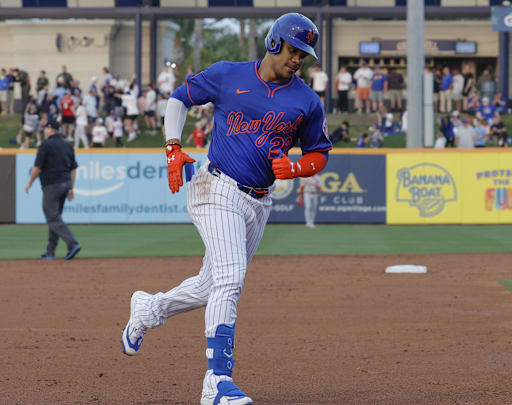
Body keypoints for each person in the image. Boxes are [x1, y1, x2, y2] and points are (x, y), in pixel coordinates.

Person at [120, 13, 331, 405]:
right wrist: (172, 146)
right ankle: (216, 381)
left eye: (304, 54)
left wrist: (298, 167)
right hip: (214, 186)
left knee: (209, 285)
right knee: (231, 278)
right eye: (294, 49)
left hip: (259, 201)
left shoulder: (306, 100)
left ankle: (148, 309)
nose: (299, 59)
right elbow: (179, 98)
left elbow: (320, 153)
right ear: (273, 43)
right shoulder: (227, 74)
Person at [23, 120, 82, 261]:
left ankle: (72, 243)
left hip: (52, 185)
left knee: (52, 216)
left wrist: (29, 182)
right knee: (55, 218)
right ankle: (50, 251)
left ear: (50, 130)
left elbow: (38, 167)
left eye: (45, 129)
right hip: (65, 183)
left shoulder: (46, 145)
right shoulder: (68, 145)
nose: (44, 131)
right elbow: (73, 169)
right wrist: (71, 188)